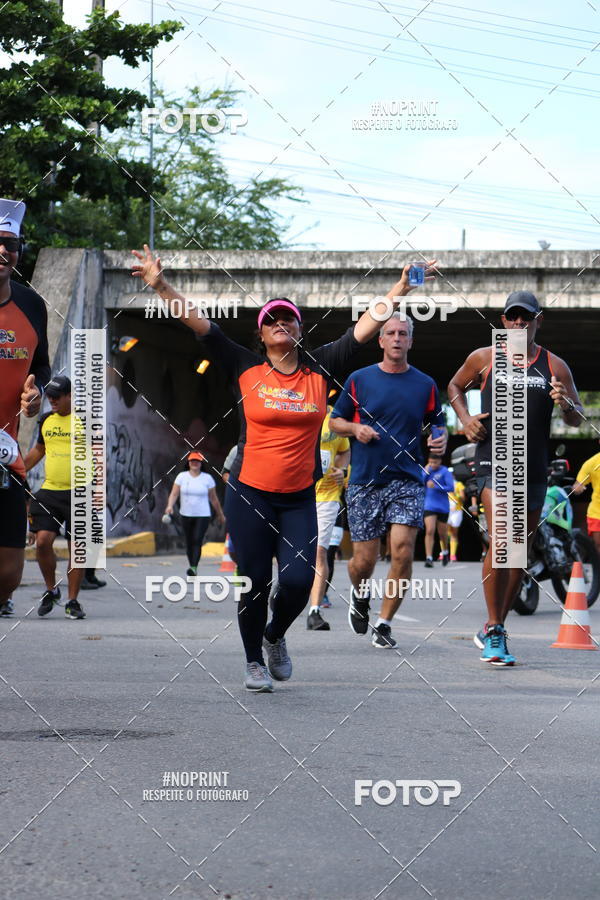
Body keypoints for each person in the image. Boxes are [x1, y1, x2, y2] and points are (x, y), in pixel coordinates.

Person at [132, 243, 436, 691]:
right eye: (271, 320)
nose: (280, 324)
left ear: (299, 328)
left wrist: (400, 288)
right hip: (249, 493)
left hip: (298, 497)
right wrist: (160, 285)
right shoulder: (244, 365)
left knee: (296, 581)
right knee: (254, 580)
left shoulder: (321, 368)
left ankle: (275, 637)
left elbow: (364, 328)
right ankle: (253, 660)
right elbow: (197, 321)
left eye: (287, 319)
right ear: (261, 334)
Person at [448, 290, 584, 665]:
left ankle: (495, 625)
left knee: (517, 554)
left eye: (526, 317)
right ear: (503, 321)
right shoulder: (485, 357)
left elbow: (576, 417)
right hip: (494, 460)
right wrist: (466, 419)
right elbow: (454, 386)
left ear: (539, 321)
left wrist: (567, 404)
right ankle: (495, 629)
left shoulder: (554, 366)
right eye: (512, 317)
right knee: (504, 539)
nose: (519, 323)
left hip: (534, 466)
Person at [330, 311, 447, 650]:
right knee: (364, 561)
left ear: (411, 341)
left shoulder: (424, 384)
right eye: (391, 333)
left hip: (407, 479)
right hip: (365, 481)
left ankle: (384, 623)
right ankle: (359, 593)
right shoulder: (359, 379)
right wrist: (355, 428)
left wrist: (439, 439)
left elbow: (437, 424)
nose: (397, 338)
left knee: (402, 552)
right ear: (380, 341)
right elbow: (335, 421)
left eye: (403, 334)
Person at [0, 199, 50, 617]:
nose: (3, 252)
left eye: (11, 245)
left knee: (9, 573)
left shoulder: (32, 305)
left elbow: (43, 367)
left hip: (6, 456)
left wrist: (36, 395)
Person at [25, 376, 87, 619]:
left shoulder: (85, 421)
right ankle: (51, 589)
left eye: (57, 396)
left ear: (70, 396)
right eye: (49, 396)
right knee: (42, 542)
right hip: (50, 490)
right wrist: (18, 468)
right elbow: (39, 450)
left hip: (79, 490)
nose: (51, 400)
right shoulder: (46, 420)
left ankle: (73, 601)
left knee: (77, 549)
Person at [306, 407, 350, 631]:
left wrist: (342, 470)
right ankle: (282, 591)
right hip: (298, 493)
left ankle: (314, 611)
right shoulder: (299, 410)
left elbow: (344, 450)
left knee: (320, 552)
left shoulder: (335, 418)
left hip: (327, 495)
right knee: (294, 553)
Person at [165, 451, 225, 575]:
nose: (195, 463)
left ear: (201, 463)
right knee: (189, 541)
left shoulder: (207, 478)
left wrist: (220, 514)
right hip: (185, 514)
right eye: (192, 461)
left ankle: (193, 567)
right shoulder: (182, 476)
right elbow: (174, 493)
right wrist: (169, 506)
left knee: (197, 540)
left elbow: (213, 499)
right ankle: (191, 564)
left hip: (203, 515)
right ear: (188, 463)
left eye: (197, 461)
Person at [423, 454, 453, 567]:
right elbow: (419, 482)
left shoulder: (445, 471)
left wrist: (435, 486)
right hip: (429, 505)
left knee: (442, 533)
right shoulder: (427, 470)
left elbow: (451, 488)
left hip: (442, 506)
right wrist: (425, 472)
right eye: (430, 462)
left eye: (435, 462)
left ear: (440, 461)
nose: (432, 465)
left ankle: (445, 552)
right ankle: (429, 557)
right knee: (430, 530)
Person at [573, 443, 600, 555]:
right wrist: (577, 487)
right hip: (597, 514)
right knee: (598, 545)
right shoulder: (592, 463)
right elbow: (578, 485)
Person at [447, 473, 465, 562]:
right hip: (446, 511)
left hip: (457, 511)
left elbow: (463, 498)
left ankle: (452, 555)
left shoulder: (459, 485)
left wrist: (456, 494)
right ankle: (443, 553)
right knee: (445, 533)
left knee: (454, 533)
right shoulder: (444, 484)